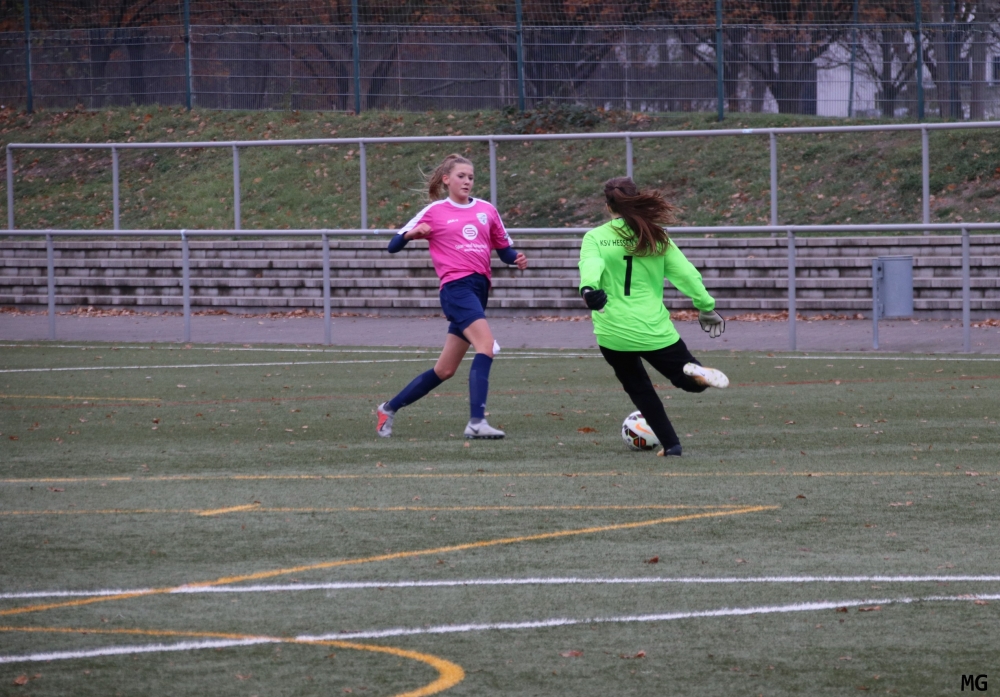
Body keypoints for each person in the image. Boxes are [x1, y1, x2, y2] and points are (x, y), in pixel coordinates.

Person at [376, 154, 528, 440]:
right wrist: (411, 234)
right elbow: (393, 245)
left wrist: (515, 258)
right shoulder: (434, 211)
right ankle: (476, 422)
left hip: (479, 290)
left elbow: (503, 249)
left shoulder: (486, 210)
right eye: (461, 176)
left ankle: (388, 408)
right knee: (487, 346)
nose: (467, 181)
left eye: (470, 177)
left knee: (445, 370)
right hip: (456, 289)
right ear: (446, 180)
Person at [578, 176, 728, 457]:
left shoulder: (595, 237)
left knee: (639, 389)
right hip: (655, 330)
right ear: (637, 200)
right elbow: (686, 274)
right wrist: (706, 306)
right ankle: (697, 372)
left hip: (614, 332)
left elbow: (591, 265)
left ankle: (672, 445)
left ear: (608, 206)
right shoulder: (657, 236)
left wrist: (588, 289)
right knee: (687, 381)